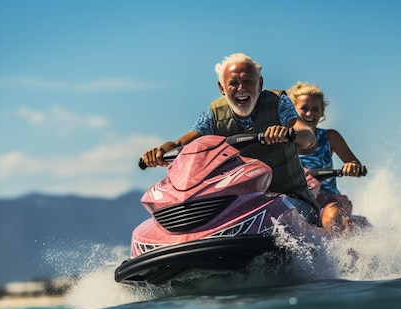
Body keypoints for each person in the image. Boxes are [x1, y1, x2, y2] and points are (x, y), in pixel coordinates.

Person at [142, 53, 319, 225]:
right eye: (233, 83)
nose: (241, 88)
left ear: (260, 83)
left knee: (277, 214)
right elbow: (182, 144)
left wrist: (288, 133)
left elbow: (307, 136)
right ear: (222, 88)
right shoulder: (214, 115)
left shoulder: (278, 102)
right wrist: (162, 152)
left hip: (290, 201)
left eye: (247, 81)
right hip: (241, 206)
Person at [286, 81, 367, 232]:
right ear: (292, 111)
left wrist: (352, 166)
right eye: (304, 108)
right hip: (295, 198)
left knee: (332, 218)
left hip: (327, 200)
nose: (310, 114)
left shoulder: (330, 137)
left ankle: (340, 253)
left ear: (322, 112)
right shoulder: (285, 139)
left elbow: (354, 163)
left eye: (315, 109)